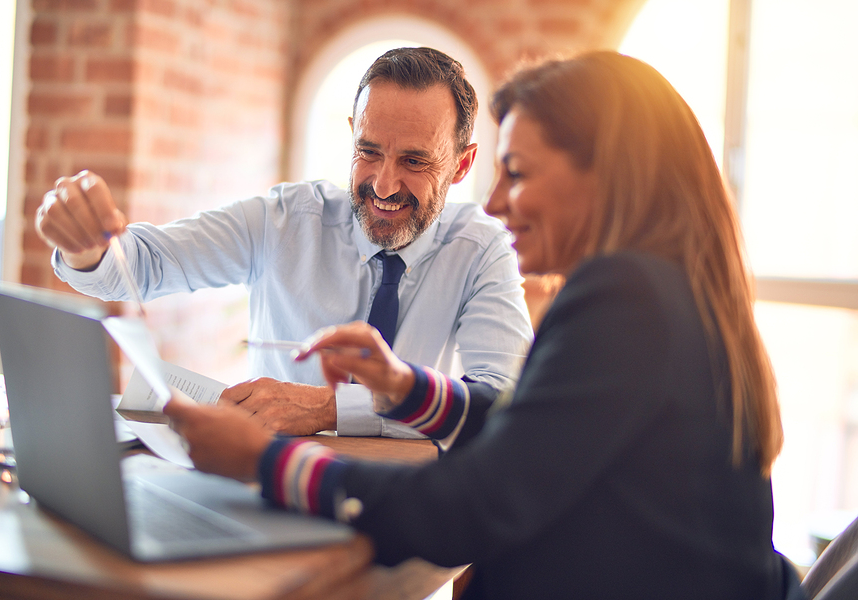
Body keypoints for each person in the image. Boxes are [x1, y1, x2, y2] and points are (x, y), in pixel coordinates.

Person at [163, 51, 806, 600]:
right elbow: (535, 435)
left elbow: (469, 507)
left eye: (518, 173)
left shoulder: (627, 298)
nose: (495, 203)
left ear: (606, 177)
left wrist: (266, 461)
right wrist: (404, 389)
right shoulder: (671, 289)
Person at [34, 47, 533, 438]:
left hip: (406, 501)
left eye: (414, 161)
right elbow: (140, 266)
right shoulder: (285, 220)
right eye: (368, 151)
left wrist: (331, 408)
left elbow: (504, 403)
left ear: (462, 165)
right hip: (270, 484)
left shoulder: (482, 249)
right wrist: (85, 246)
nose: (383, 185)